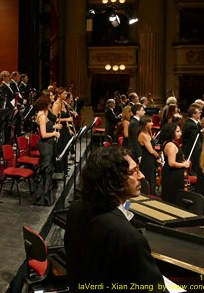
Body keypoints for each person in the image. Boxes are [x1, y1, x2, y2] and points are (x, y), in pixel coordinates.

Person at [65, 146, 165, 291]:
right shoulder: (129, 237)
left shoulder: (76, 208)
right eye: (133, 172)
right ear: (113, 180)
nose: (142, 176)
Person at [33, 96, 59, 205]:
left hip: (48, 144)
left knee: (47, 169)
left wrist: (54, 127)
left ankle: (45, 196)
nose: (50, 105)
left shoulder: (43, 114)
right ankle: (42, 198)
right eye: (49, 103)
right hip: (45, 145)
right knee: (46, 169)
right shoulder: (42, 116)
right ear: (45, 104)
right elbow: (43, 135)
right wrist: (55, 133)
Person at [160, 123, 190, 204]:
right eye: (178, 131)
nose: (180, 133)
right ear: (171, 132)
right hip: (173, 174)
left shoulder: (168, 142)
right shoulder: (171, 145)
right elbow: (172, 163)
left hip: (172, 172)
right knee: (173, 197)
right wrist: (184, 164)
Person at [182, 104, 204, 194]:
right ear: (193, 115)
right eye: (198, 113)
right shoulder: (190, 124)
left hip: (195, 148)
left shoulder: (195, 122)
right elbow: (196, 141)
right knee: (195, 168)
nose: (200, 114)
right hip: (192, 150)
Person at [137, 115, 160, 194]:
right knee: (149, 178)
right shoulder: (143, 134)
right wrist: (158, 156)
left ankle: (152, 194)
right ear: (145, 124)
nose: (152, 123)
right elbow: (151, 151)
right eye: (150, 122)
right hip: (147, 160)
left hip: (150, 159)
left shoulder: (148, 132)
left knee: (152, 177)